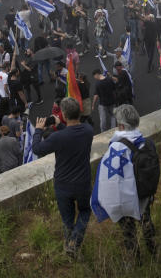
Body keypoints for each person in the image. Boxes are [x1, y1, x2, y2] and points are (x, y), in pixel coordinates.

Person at [92, 104, 158, 262]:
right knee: (146, 220)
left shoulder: (116, 147)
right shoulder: (147, 143)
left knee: (128, 229)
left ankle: (136, 259)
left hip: (128, 197)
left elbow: (110, 180)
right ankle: (154, 252)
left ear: (121, 125)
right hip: (144, 192)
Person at [32, 96, 94, 256]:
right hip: (82, 182)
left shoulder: (57, 138)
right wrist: (60, 126)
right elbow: (72, 135)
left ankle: (69, 244)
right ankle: (75, 241)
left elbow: (37, 149)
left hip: (63, 184)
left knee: (67, 219)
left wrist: (38, 130)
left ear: (64, 116)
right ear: (79, 113)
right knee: (85, 211)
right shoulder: (88, 130)